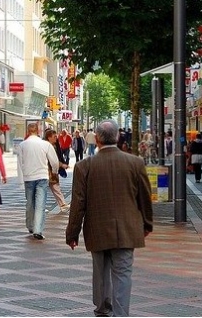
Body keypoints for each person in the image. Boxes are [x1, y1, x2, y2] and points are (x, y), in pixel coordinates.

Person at [66, 119, 153, 317]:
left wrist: (72, 233)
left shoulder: (83, 166)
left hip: (96, 228)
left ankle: (103, 308)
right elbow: (144, 198)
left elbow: (78, 204)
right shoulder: (135, 163)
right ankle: (121, 314)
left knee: (100, 270)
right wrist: (147, 224)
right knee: (123, 273)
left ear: (96, 139)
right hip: (126, 229)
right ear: (118, 137)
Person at [17, 123, 59, 240]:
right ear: (38, 130)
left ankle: (30, 225)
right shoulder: (45, 144)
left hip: (28, 177)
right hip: (42, 176)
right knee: (40, 204)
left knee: (30, 202)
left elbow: (20, 163)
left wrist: (21, 181)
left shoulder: (22, 145)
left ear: (27, 131)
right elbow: (54, 161)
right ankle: (38, 230)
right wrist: (54, 171)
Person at [44, 129, 69, 213]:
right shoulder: (47, 146)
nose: (56, 138)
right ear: (49, 137)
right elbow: (54, 161)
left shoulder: (53, 145)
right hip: (47, 171)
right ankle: (62, 205)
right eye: (54, 137)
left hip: (50, 171)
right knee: (44, 189)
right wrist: (61, 165)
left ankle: (63, 205)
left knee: (55, 187)